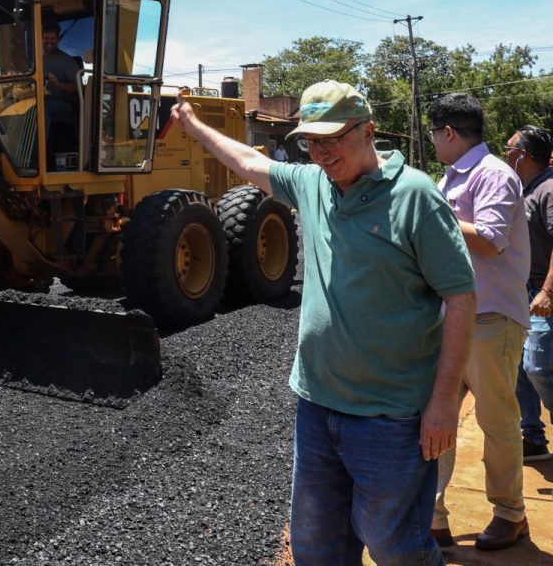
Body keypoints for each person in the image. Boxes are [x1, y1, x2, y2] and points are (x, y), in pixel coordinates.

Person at [172, 80, 474, 566]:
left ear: (369, 130)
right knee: (317, 546)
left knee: (395, 545)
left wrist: (442, 402)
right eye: (312, 141)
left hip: (390, 416)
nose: (321, 152)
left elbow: (460, 296)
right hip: (316, 405)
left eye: (333, 138)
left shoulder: (415, 196)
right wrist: (192, 123)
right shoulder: (311, 184)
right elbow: (249, 163)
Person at [427, 93, 530, 551]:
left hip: (491, 317)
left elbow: (489, 239)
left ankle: (510, 513)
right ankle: (432, 516)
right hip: (454, 318)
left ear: (449, 132)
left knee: (496, 419)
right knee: (438, 414)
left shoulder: (494, 176)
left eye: (433, 134)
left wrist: (432, 215)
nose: (432, 143)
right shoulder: (453, 177)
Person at [504, 125, 553, 462]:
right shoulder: (526, 188)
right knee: (520, 366)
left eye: (508, 149)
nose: (504, 154)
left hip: (542, 293)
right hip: (522, 291)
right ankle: (532, 438)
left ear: (522, 154)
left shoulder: (549, 188)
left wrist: (547, 291)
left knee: (538, 366)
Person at [41, 14, 80, 139]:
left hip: (63, 103)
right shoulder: (35, 60)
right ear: (40, 39)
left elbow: (77, 88)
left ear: (58, 40)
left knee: (43, 109)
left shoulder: (66, 61)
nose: (49, 41)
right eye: (46, 38)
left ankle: (39, 152)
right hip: (36, 101)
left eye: (52, 38)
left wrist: (58, 84)